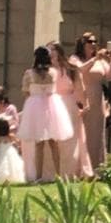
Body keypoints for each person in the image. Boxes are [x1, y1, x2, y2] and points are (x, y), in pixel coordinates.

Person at [18, 46, 73, 183]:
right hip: (51, 107)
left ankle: (38, 176)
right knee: (54, 143)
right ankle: (59, 174)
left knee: (39, 144)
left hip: (35, 107)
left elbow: (25, 91)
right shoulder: (53, 72)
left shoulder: (29, 74)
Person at [71, 32, 111, 172]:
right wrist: (95, 58)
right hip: (81, 98)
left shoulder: (100, 61)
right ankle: (79, 167)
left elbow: (109, 77)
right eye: (90, 41)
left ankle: (96, 166)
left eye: (95, 41)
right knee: (81, 132)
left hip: (97, 99)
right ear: (82, 44)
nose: (93, 44)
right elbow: (79, 70)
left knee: (96, 134)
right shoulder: (75, 58)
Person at [49, 41, 93, 179]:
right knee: (52, 140)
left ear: (59, 51)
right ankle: (52, 172)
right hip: (51, 105)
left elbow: (80, 88)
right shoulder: (45, 70)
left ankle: (70, 171)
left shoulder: (71, 69)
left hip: (68, 105)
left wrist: (85, 104)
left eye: (52, 49)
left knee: (70, 140)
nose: (50, 53)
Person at [0, 115, 26, 184]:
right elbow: (17, 142)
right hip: (10, 151)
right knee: (12, 165)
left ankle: (0, 178)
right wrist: (18, 147)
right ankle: (11, 178)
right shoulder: (10, 135)